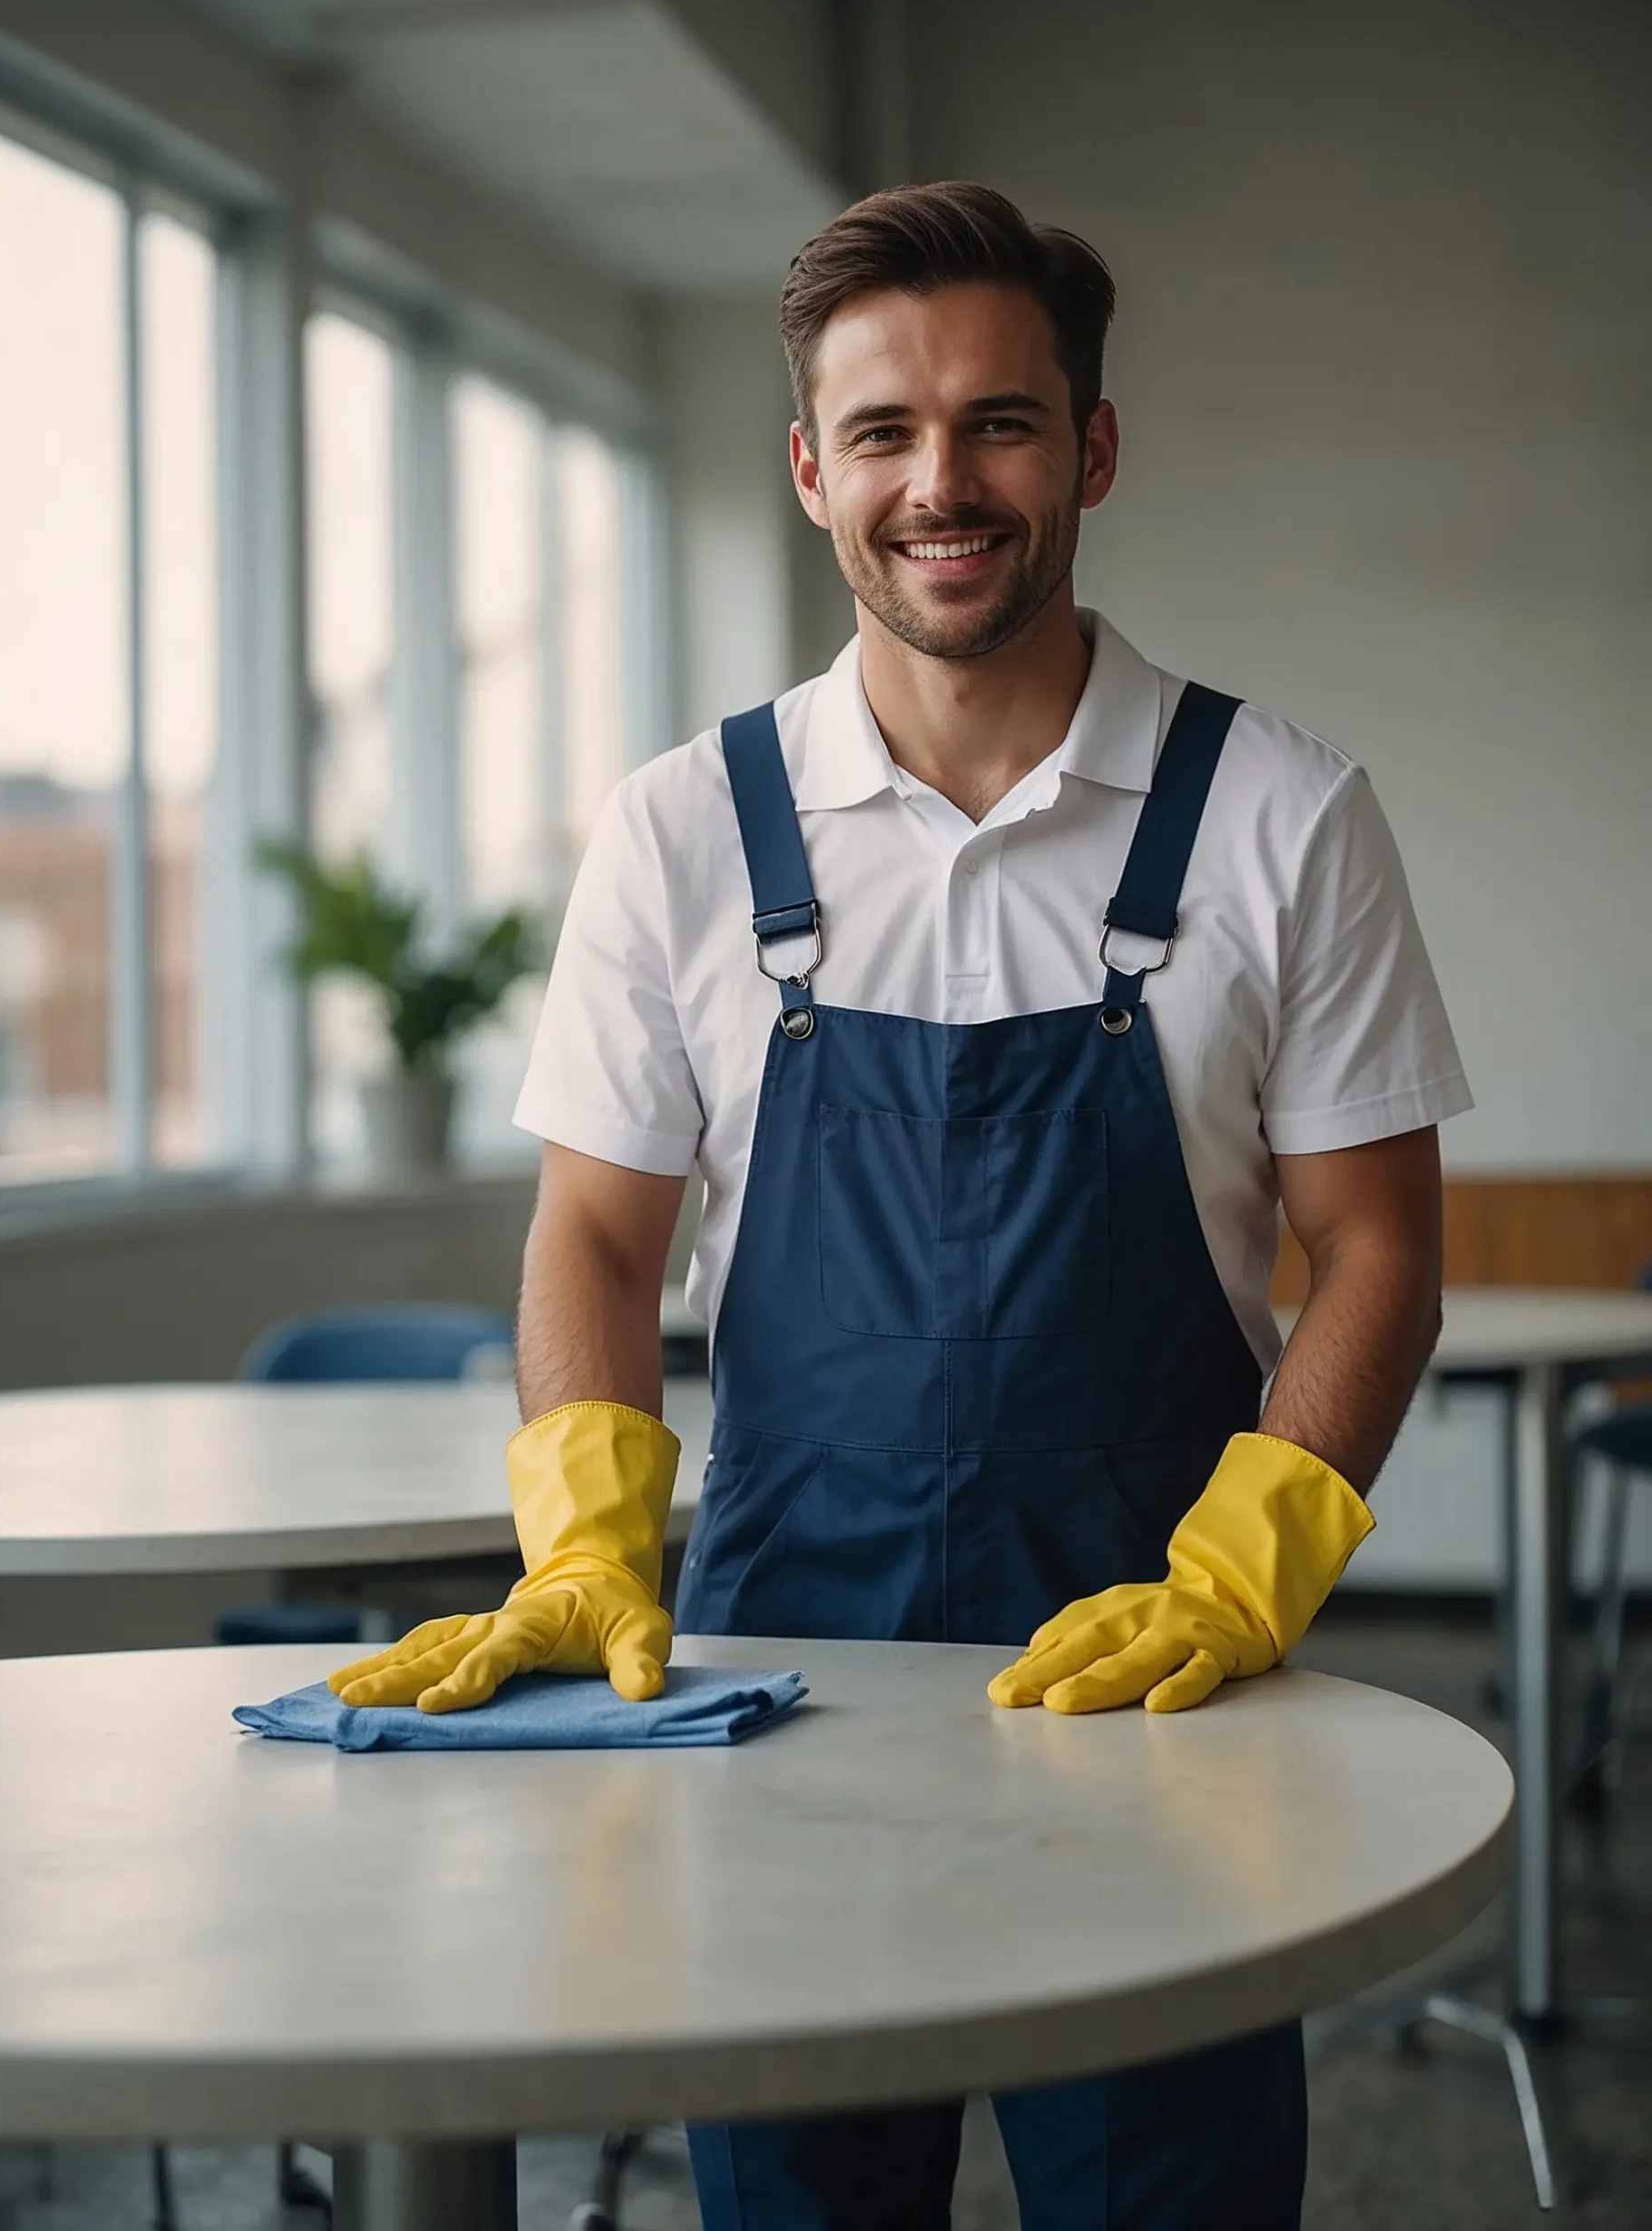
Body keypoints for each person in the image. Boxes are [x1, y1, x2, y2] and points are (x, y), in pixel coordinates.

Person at [331, 182, 1471, 2230]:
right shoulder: (682, 829)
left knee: (1163, 2191)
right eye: (881, 431)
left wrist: (1243, 1574)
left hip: (1158, 1685)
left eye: (1000, 423)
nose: (940, 482)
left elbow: (1377, 1242)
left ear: (1091, 449)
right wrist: (589, 1538)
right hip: (785, 1669)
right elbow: (593, 1234)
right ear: (809, 469)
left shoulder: (1282, 811)